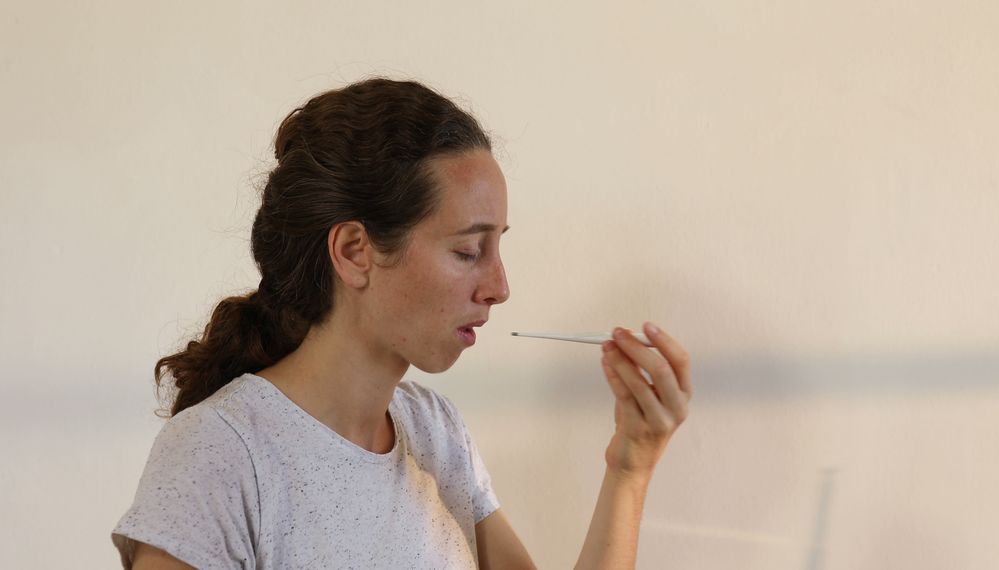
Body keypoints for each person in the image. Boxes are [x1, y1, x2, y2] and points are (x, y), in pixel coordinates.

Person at [111, 78, 693, 569]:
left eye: (498, 249)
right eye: (469, 251)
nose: (500, 287)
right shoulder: (219, 453)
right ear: (355, 251)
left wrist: (630, 466)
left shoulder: (434, 431)